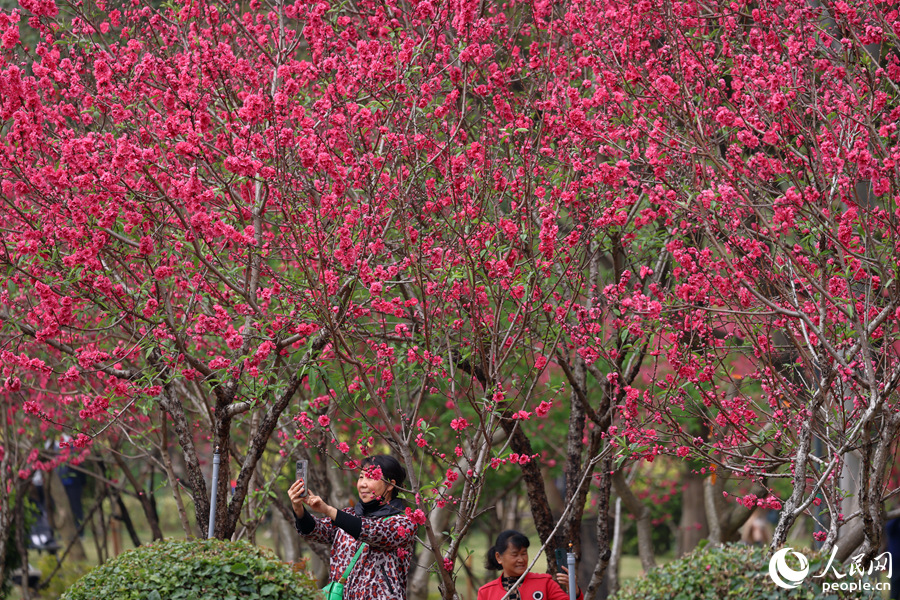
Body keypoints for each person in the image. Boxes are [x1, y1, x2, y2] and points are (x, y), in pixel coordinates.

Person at [288, 455, 417, 600]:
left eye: (370, 478)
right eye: (361, 477)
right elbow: (316, 531)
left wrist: (328, 510)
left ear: (390, 484)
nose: (362, 484)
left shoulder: (403, 523)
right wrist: (298, 507)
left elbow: (371, 532)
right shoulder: (348, 515)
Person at [477, 530, 583, 600]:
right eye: (515, 554)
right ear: (499, 557)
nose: (521, 559)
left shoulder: (545, 583)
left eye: (524, 553)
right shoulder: (486, 592)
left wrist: (574, 590)